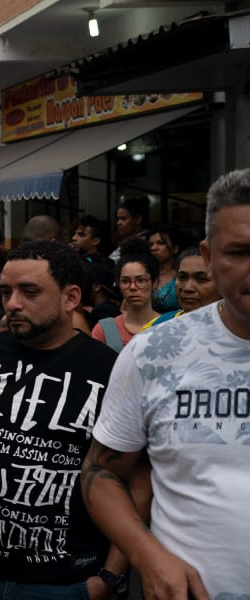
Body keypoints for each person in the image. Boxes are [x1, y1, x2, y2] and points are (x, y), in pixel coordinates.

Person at [83, 169, 250, 600]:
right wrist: (148, 556)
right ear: (208, 256)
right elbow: (100, 471)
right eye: (240, 252)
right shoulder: (155, 352)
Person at [0, 240, 127, 600]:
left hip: (65, 583)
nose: (13, 304)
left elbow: (127, 476)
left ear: (70, 298)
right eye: (6, 292)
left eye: (29, 292)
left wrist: (110, 576)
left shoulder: (108, 371)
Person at [91, 239, 160, 350]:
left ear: (154, 283)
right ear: (118, 284)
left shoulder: (168, 325)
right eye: (125, 281)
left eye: (141, 280)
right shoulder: (104, 330)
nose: (133, 287)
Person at [144, 247, 222, 327]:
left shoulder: (232, 330)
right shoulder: (157, 326)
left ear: (223, 285)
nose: (188, 288)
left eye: (201, 279)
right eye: (182, 277)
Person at [147, 225, 184, 313]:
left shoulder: (181, 275)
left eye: (161, 243)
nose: (154, 248)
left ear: (175, 248)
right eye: (151, 244)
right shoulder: (145, 273)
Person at [109, 197, 150, 263]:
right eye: (118, 219)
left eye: (123, 219)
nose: (118, 223)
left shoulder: (145, 242)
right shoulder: (128, 240)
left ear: (138, 219)